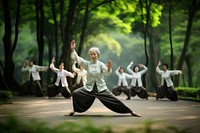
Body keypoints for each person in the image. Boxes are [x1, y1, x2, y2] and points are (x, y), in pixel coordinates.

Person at [68, 40, 141, 117]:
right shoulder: (87, 64)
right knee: (75, 93)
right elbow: (79, 59)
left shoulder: (101, 64)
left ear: (97, 55)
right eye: (91, 54)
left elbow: (106, 73)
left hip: (100, 88)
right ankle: (74, 110)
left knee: (114, 99)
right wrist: (73, 50)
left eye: (94, 54)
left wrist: (109, 68)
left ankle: (130, 112)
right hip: (89, 88)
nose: (93, 56)